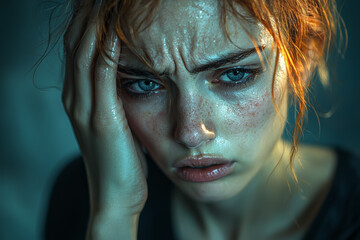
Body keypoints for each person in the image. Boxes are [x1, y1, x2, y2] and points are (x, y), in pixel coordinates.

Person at [45, 0, 360, 239]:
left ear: (302, 58)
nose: (190, 133)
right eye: (145, 84)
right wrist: (113, 216)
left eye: (234, 74)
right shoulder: (84, 197)